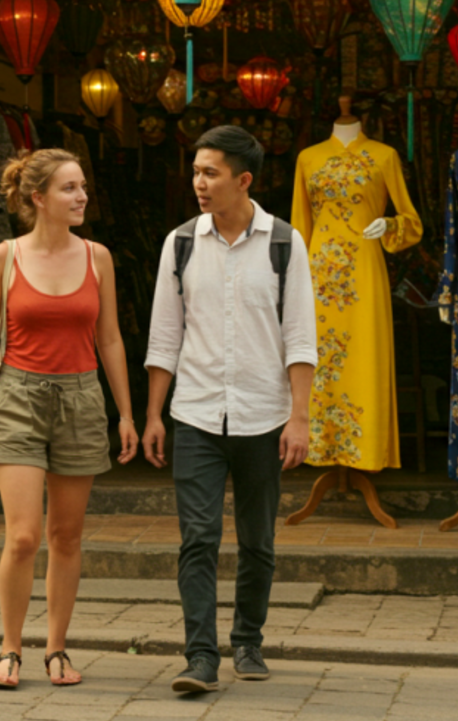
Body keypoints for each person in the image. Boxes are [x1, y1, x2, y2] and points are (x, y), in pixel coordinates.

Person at [0, 147, 138, 690]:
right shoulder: (4, 257)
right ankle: (10, 648)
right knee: (25, 536)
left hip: (81, 400)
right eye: (70, 188)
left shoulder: (98, 257)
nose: (82, 197)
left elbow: (110, 339)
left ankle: (56, 648)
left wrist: (125, 413)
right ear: (39, 198)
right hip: (16, 399)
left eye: (83, 187)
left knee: (66, 536)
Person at [142, 125, 317, 692]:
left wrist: (299, 417)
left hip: (264, 415)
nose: (198, 182)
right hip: (195, 413)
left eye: (210, 173)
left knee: (257, 540)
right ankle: (200, 656)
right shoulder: (181, 242)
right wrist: (154, 415)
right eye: (196, 171)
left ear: (243, 180)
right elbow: (164, 337)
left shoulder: (284, 243)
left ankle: (248, 640)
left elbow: (301, 338)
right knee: (197, 538)